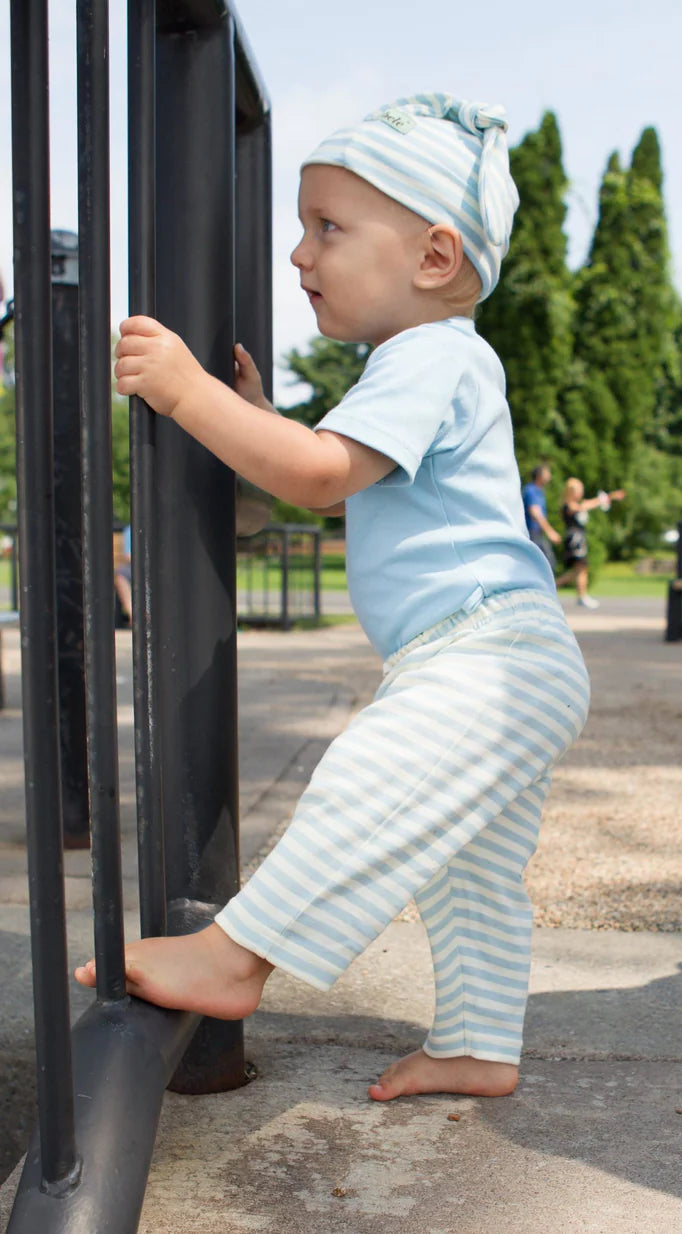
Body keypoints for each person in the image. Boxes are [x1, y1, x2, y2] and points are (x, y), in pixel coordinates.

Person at [75, 94, 590, 1103]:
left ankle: (236, 957)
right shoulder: (428, 366)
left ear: (433, 257)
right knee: (468, 870)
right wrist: (261, 419)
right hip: (511, 656)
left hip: (486, 655)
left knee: (367, 773)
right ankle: (480, 1044)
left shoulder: (428, 353)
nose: (300, 254)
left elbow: (313, 476)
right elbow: (326, 468)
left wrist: (188, 394)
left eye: (328, 228)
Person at [555, 478, 625, 609]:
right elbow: (583, 506)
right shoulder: (569, 505)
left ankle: (553, 587)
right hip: (575, 539)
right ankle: (581, 596)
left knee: (578, 570)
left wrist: (610, 496)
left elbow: (590, 503)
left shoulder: (576, 503)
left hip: (579, 538)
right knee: (581, 568)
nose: (582, 492)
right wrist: (602, 500)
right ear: (572, 491)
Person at [522, 464, 562, 570]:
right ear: (540, 476)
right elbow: (535, 513)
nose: (550, 476)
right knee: (542, 565)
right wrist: (550, 532)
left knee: (548, 564)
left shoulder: (539, 491)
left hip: (538, 533)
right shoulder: (531, 490)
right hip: (532, 533)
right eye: (547, 473)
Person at [114, 523, 132, 625]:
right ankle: (133, 615)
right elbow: (128, 555)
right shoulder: (130, 530)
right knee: (121, 575)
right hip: (134, 567)